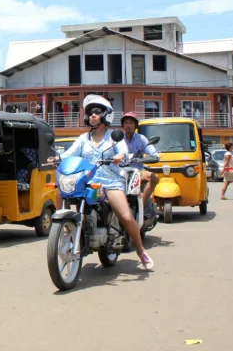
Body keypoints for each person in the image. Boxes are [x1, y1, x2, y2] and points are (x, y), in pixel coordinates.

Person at [45, 95, 155, 271]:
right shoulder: (83, 139)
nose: (93, 115)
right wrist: (57, 158)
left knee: (126, 216)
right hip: (87, 181)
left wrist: (121, 157)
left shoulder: (114, 137)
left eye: (97, 112)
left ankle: (141, 251)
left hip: (110, 182)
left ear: (106, 115)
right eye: (90, 112)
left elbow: (124, 152)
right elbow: (70, 154)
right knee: (60, 192)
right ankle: (65, 230)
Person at [120, 112, 159, 219]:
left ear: (135, 125)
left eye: (131, 123)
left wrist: (146, 158)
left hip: (137, 172)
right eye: (126, 123)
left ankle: (140, 205)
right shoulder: (117, 139)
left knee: (153, 177)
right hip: (120, 173)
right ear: (123, 125)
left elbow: (155, 155)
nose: (128, 125)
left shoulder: (141, 139)